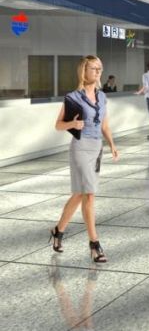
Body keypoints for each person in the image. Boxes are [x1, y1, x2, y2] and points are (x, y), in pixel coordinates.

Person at [50, 55, 119, 263]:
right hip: (80, 148)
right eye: (93, 69)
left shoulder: (103, 97)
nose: (98, 72)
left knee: (79, 194)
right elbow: (58, 125)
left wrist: (113, 146)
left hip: (96, 147)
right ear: (84, 71)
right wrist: (72, 124)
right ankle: (94, 244)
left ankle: (58, 231)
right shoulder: (73, 97)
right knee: (89, 194)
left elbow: (104, 125)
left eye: (100, 68)